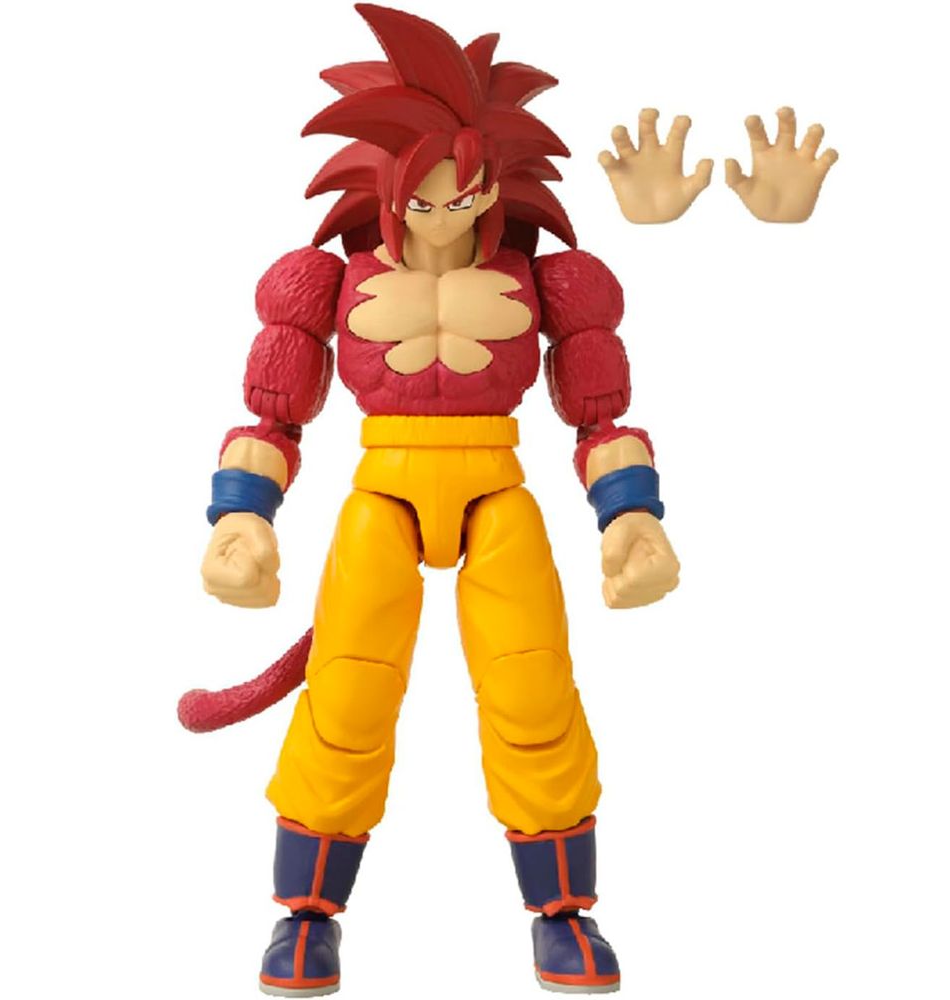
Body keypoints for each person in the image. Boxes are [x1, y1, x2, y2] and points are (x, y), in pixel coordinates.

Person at [186, 5, 680, 994]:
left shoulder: (550, 281)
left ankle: (563, 910)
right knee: (348, 694)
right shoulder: (324, 280)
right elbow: (274, 410)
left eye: (469, 187)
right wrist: (242, 513)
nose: (449, 211)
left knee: (534, 690)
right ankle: (306, 912)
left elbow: (599, 412)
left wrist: (631, 515)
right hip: (384, 489)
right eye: (426, 193)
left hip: (497, 484)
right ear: (385, 186)